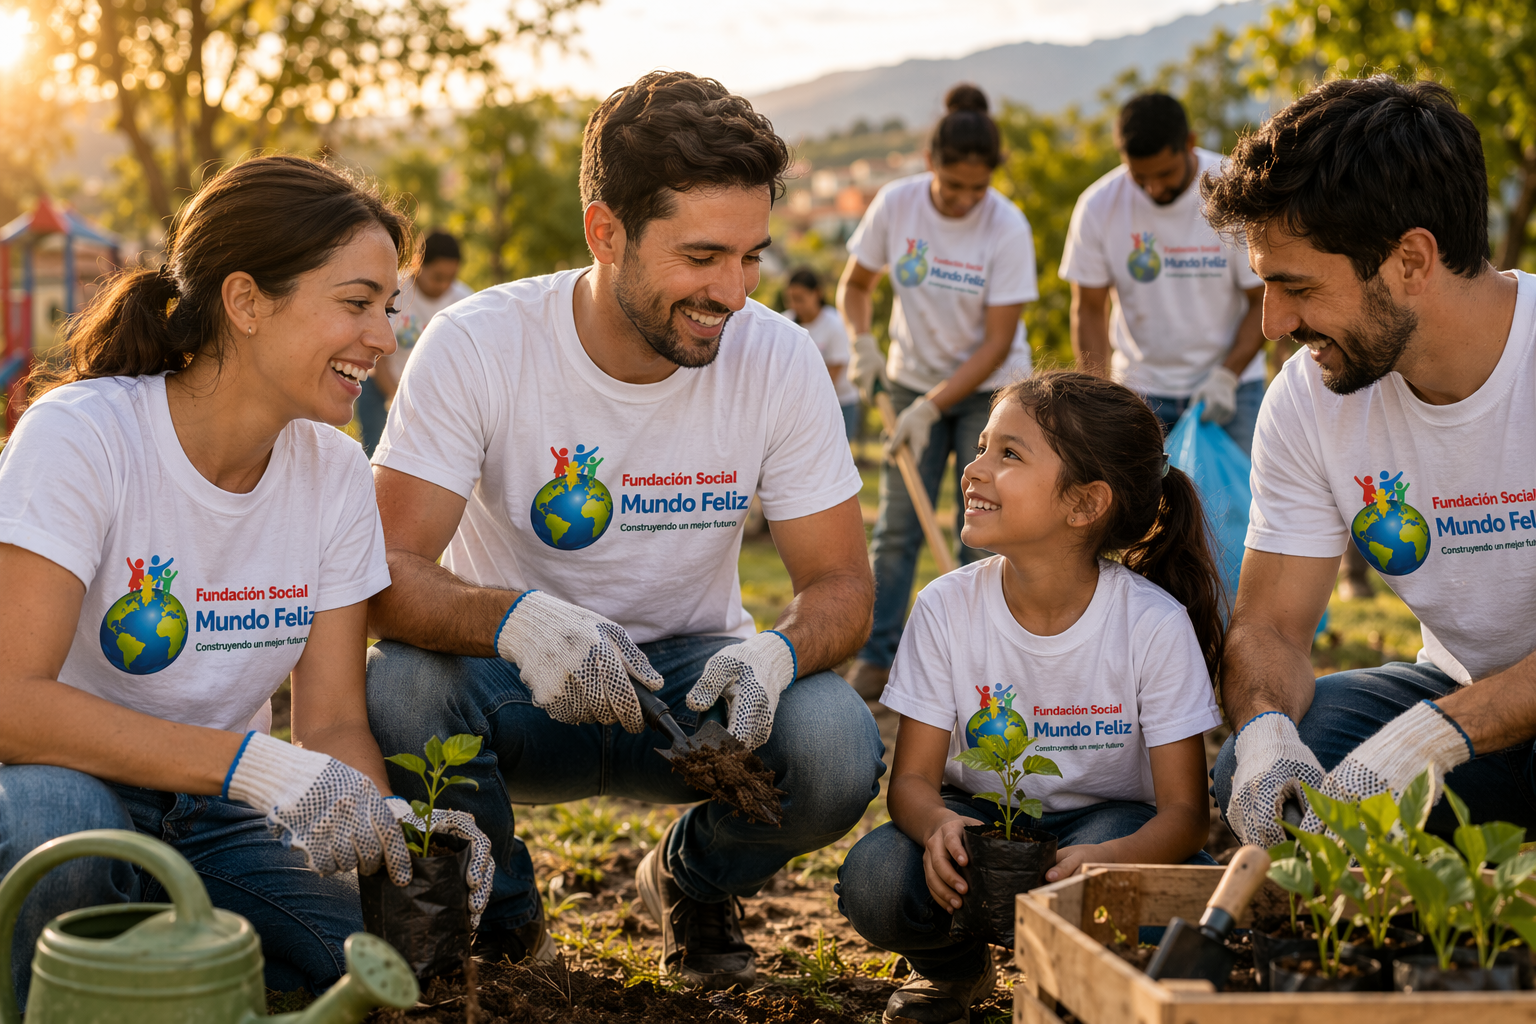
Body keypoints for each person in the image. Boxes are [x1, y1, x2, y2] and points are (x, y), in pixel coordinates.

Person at [363, 72, 885, 988]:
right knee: (403, 687)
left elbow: (842, 584)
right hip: (519, 690)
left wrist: (777, 652)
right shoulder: (480, 343)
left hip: (692, 697)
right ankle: (509, 922)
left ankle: (689, 880)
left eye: (752, 256)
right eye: (702, 256)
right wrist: (519, 622)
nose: (732, 291)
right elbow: (384, 573)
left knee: (838, 741)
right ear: (606, 233)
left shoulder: (778, 356)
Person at [0, 156, 492, 1007]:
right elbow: (12, 702)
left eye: (389, 309)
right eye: (356, 302)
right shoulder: (84, 436)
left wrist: (387, 836)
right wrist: (251, 767)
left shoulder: (334, 473)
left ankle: (170, 967)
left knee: (381, 974)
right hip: (56, 782)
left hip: (214, 821)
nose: (382, 338)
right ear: (246, 301)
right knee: (57, 822)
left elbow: (334, 720)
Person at [1203, 77, 1536, 846]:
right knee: (1269, 775)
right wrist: (1262, 728)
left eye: (1297, 287)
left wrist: (1435, 736)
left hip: (1464, 717)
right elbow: (1270, 624)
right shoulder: (1309, 399)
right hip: (1460, 693)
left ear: (1411, 260)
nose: (1274, 322)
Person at [837, 371, 1223, 1024]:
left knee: (1175, 897)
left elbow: (1186, 815)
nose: (974, 468)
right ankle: (955, 973)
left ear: (1084, 504)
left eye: (1008, 454)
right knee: (876, 881)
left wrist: (1110, 861)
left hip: (1105, 826)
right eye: (982, 446)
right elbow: (912, 786)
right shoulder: (944, 609)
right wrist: (937, 829)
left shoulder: (1153, 623)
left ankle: (1079, 975)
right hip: (978, 827)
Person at [838, 83, 1039, 700]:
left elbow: (997, 340)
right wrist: (863, 343)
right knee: (899, 526)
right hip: (907, 381)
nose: (963, 200)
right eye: (953, 186)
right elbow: (856, 286)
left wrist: (934, 406)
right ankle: (877, 658)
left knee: (982, 528)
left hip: (990, 391)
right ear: (932, 165)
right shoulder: (897, 206)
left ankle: (988, 668)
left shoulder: (1007, 227)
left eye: (977, 189)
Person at [1061, 93, 1267, 454]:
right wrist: (1097, 398)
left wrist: (1226, 376)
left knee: (1236, 507)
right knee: (1140, 508)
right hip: (1139, 390)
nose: (1153, 188)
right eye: (1140, 177)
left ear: (1189, 142)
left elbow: (1261, 298)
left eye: (1164, 174)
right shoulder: (1098, 206)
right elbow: (1089, 308)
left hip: (1231, 387)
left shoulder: (1234, 191)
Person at [355, 230, 472, 456]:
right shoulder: (394, 292)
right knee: (379, 451)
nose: (445, 285)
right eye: (438, 277)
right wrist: (398, 400)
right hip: (382, 385)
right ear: (419, 264)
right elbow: (379, 358)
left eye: (451, 278)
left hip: (430, 396)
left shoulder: (464, 301)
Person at [785, 267, 860, 439]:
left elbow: (832, 375)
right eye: (790, 299)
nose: (794, 305)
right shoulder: (784, 323)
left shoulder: (835, 325)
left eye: (799, 299)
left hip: (839, 402)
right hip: (798, 404)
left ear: (817, 293)